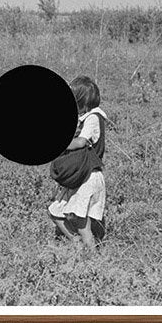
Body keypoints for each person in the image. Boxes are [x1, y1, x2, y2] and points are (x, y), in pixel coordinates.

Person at [49, 75, 108, 251]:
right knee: (56, 212)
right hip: (80, 175)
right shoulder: (85, 117)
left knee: (82, 224)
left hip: (88, 176)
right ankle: (76, 244)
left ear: (81, 102)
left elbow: (81, 142)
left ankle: (93, 260)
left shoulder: (93, 118)